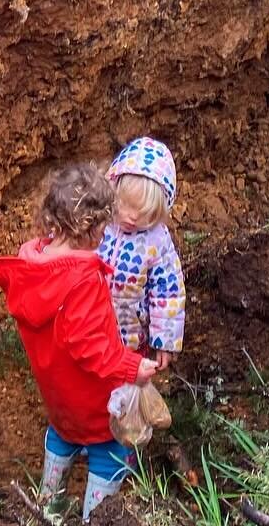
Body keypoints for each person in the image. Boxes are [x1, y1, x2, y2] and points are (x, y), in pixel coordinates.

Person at [0, 163, 158, 519]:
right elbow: (90, 346)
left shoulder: (31, 263)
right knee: (109, 450)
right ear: (95, 227)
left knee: (62, 434)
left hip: (57, 395)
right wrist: (133, 367)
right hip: (92, 400)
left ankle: (47, 505)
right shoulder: (83, 280)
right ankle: (94, 516)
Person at [99, 137, 186, 370]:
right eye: (126, 205)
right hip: (89, 328)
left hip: (131, 338)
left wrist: (165, 341)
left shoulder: (157, 240)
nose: (132, 217)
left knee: (126, 389)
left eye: (144, 214)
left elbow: (168, 291)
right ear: (113, 190)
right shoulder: (98, 222)